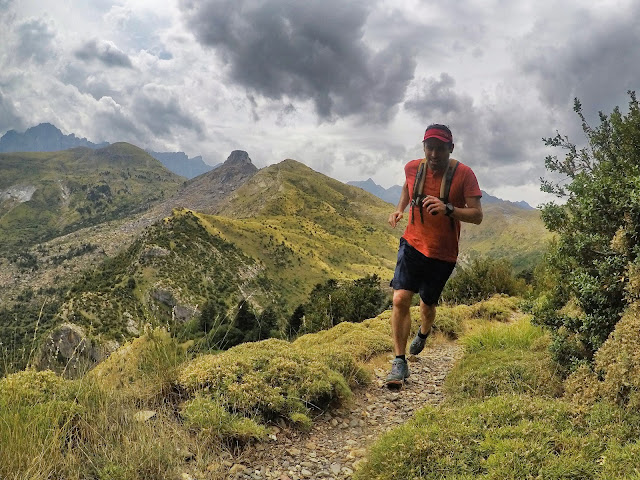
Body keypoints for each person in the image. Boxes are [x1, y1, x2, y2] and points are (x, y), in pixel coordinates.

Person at [386, 124, 483, 386]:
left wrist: (449, 208)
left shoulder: (464, 174)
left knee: (427, 305)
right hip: (412, 243)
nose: (434, 153)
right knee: (400, 299)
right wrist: (400, 209)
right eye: (429, 147)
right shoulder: (412, 168)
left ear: (450, 149)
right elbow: (408, 188)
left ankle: (424, 332)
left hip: (443, 254)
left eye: (440, 148)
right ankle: (399, 362)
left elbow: (477, 215)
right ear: (424, 147)